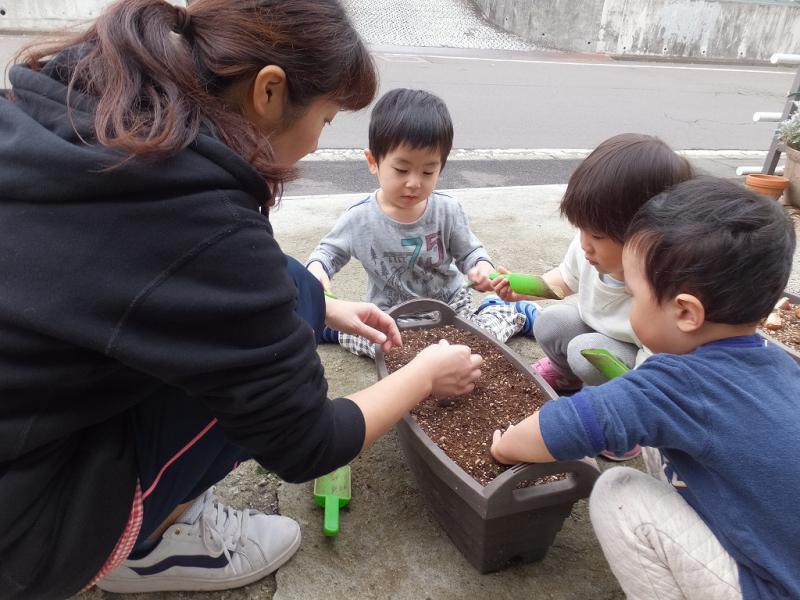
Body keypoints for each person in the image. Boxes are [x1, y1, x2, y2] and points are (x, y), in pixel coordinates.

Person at [0, 1, 483, 597]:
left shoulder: (81, 108)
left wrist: (324, 305)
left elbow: (188, 269)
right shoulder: (203, 225)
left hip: (25, 426)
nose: (316, 144)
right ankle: (150, 548)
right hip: (25, 527)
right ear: (269, 91)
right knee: (255, 383)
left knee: (281, 313)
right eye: (326, 119)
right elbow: (307, 441)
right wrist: (424, 375)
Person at [490, 177, 800, 600]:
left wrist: (505, 447)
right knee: (662, 438)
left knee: (617, 492)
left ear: (686, 312)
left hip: (770, 587)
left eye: (634, 295)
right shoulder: (780, 364)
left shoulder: (678, 384)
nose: (629, 303)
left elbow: (564, 426)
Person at [306, 88, 530, 358]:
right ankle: (334, 329)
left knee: (476, 347)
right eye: (401, 170)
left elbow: (470, 253)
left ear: (441, 167)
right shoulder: (360, 218)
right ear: (373, 161)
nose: (414, 182)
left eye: (428, 171)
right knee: (387, 351)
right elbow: (327, 253)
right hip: (390, 318)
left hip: (450, 312)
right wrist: (317, 269)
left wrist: (481, 268)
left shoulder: (447, 210)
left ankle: (509, 311)